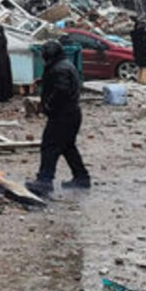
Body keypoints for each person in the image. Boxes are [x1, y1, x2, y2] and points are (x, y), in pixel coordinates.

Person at [25, 40, 90, 196]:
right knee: (68, 147)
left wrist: (48, 105)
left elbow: (61, 90)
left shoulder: (59, 69)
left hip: (62, 115)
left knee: (50, 146)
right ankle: (81, 178)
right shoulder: (63, 64)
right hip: (71, 114)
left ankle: (45, 181)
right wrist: (44, 82)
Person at [130, 18, 146, 84]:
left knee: (140, 67)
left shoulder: (134, 34)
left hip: (137, 53)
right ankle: (143, 81)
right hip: (145, 53)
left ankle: (139, 79)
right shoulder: (144, 34)